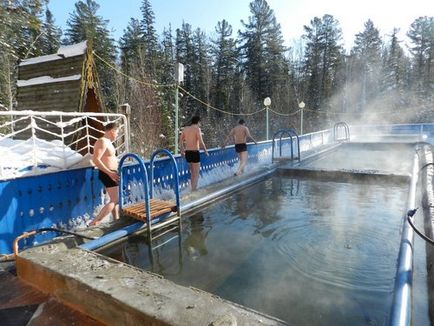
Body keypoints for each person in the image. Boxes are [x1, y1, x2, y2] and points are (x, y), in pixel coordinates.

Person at [90, 122, 120, 226]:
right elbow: (96, 159)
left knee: (114, 199)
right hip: (107, 173)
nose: (117, 135)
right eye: (117, 132)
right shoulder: (102, 141)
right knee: (115, 199)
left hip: (111, 173)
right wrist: (110, 173)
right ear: (112, 131)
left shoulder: (108, 142)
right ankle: (94, 222)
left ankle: (116, 220)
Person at [180, 116, 208, 191]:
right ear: (198, 122)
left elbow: (180, 140)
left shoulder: (185, 129)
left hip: (188, 153)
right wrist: (205, 151)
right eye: (200, 122)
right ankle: (194, 190)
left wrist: (182, 150)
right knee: (196, 174)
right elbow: (201, 142)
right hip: (195, 153)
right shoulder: (197, 129)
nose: (200, 124)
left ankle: (191, 189)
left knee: (192, 173)